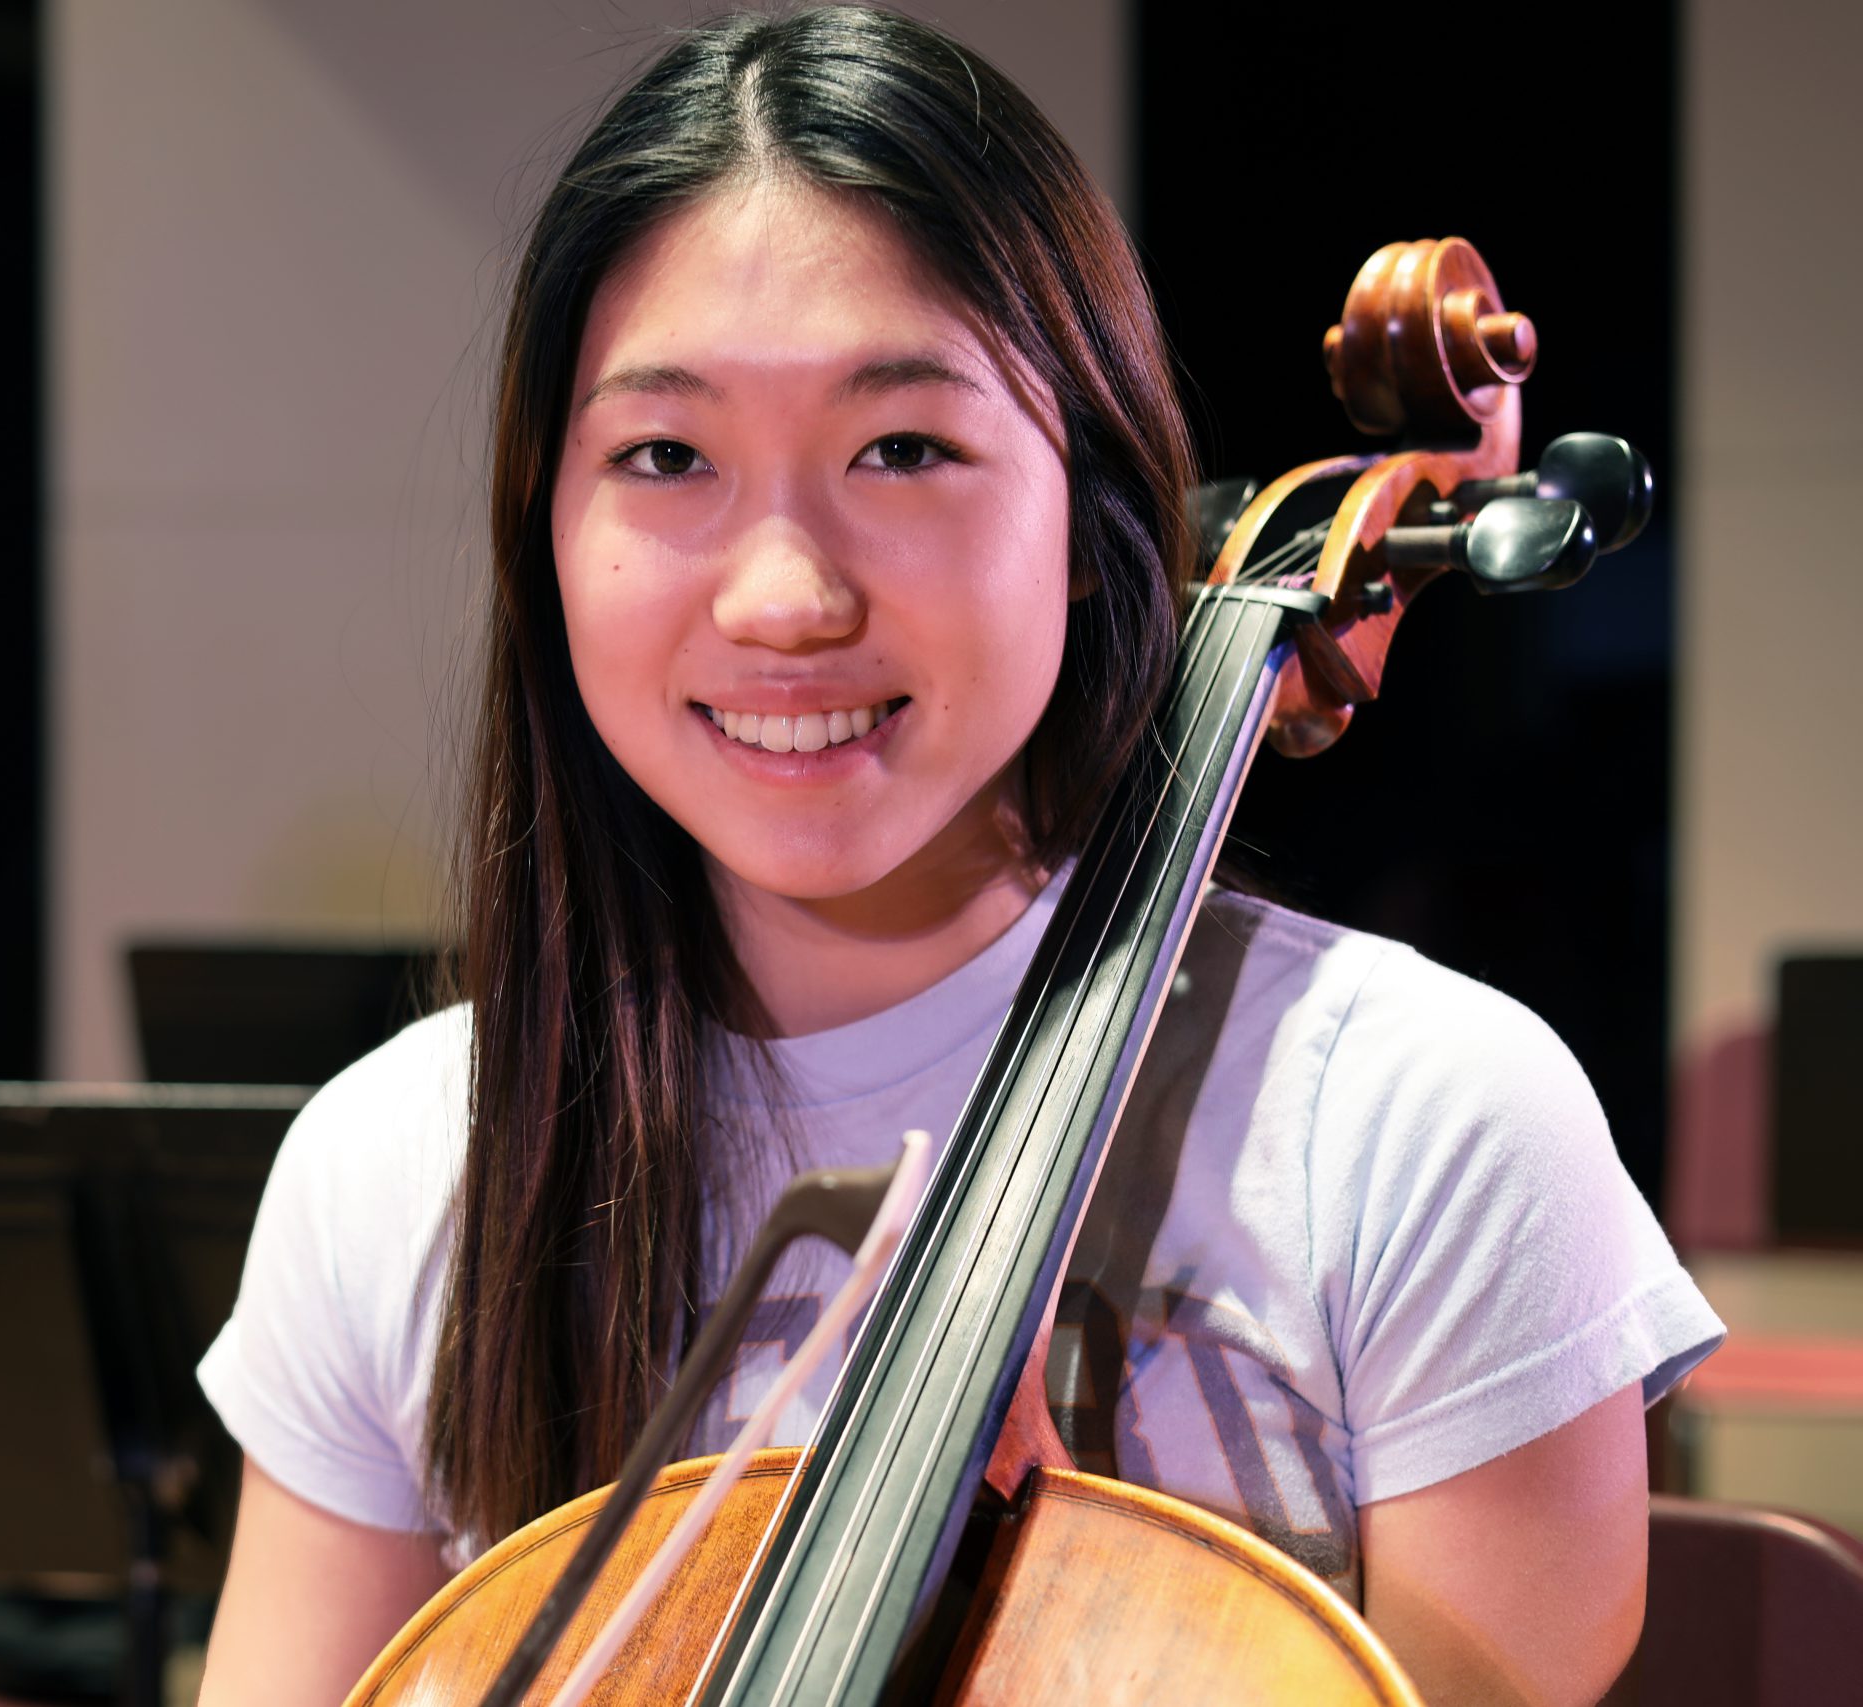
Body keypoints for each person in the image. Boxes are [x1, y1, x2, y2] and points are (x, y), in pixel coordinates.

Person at [191, 9, 1722, 1704]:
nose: (785, 598)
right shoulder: (405, 1167)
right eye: (665, 455)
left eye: (903, 449)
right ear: (544, 525)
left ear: (1089, 515)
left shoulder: (1420, 1135)